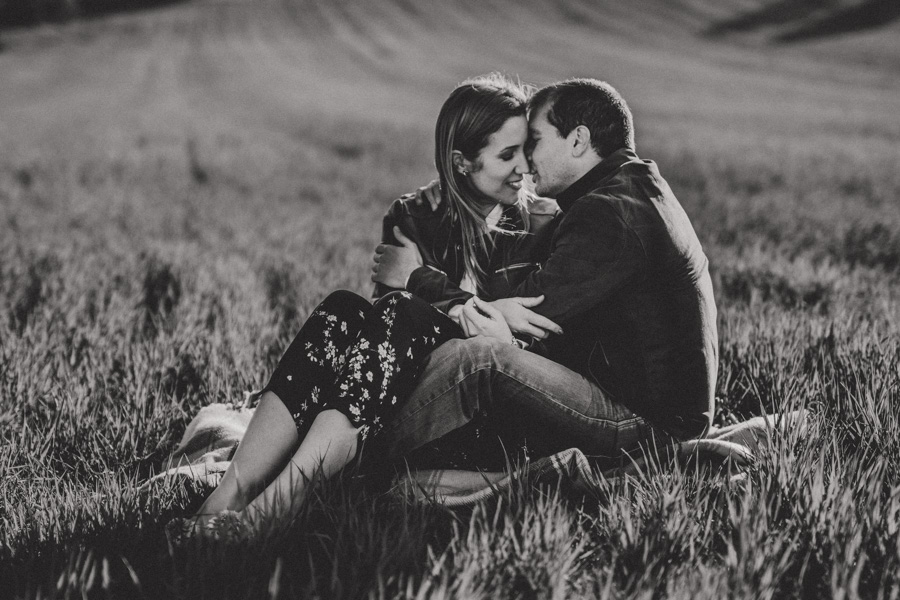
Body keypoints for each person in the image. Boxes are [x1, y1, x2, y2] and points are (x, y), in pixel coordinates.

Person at [185, 74, 562, 531]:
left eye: (526, 149)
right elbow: (382, 329)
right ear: (461, 162)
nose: (525, 167)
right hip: (397, 397)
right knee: (344, 308)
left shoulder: (541, 225)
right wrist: (471, 306)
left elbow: (528, 342)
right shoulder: (415, 216)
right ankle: (232, 493)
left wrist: (427, 284)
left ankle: (281, 503)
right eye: (507, 155)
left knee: (403, 309)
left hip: (473, 415)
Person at [375, 78, 718, 466]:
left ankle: (364, 458)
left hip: (648, 428)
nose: (526, 162)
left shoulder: (608, 213)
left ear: (578, 140)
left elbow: (519, 317)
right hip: (653, 410)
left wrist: (416, 277)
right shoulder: (632, 187)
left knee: (480, 359)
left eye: (534, 142)